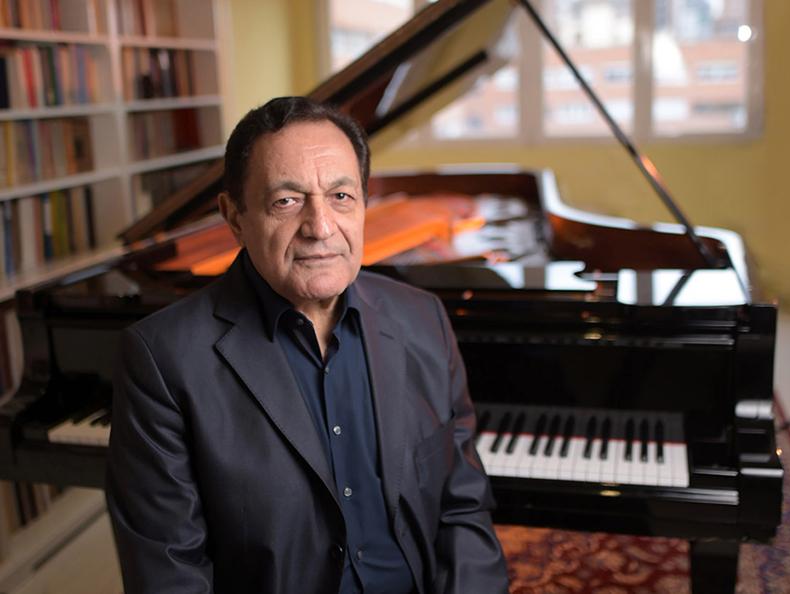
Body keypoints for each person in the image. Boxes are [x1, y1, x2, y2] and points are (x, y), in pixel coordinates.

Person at [106, 96, 509, 594]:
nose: (320, 227)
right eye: (286, 201)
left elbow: (462, 506)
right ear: (235, 217)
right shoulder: (162, 358)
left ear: (364, 204)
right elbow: (169, 571)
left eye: (341, 196)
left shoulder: (423, 319)